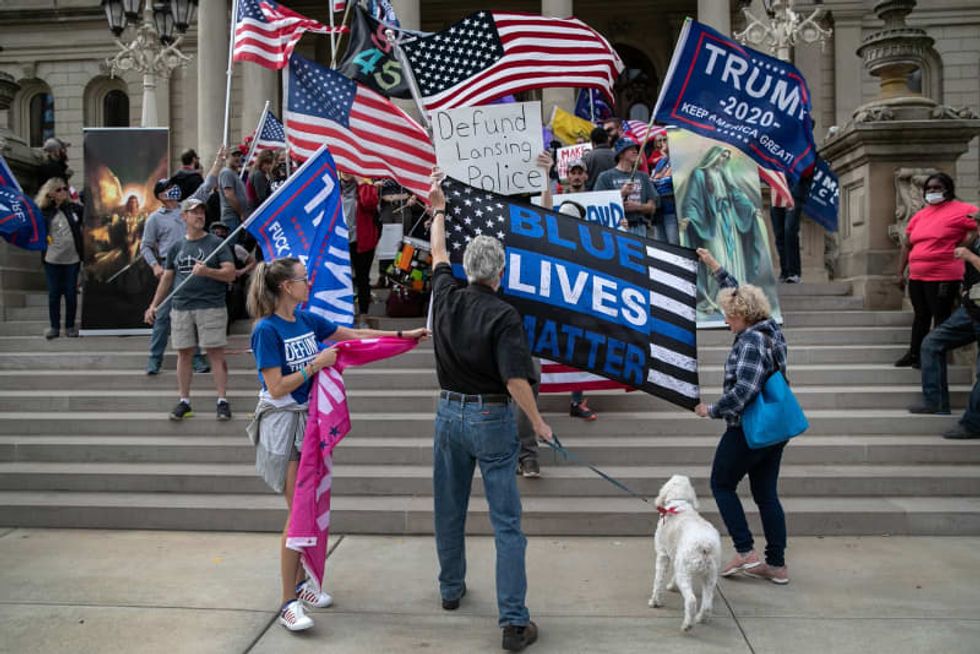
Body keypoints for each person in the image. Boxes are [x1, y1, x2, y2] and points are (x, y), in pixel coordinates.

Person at [246, 256, 427, 633]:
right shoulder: (266, 330)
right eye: (303, 278)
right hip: (284, 426)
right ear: (286, 287)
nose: (309, 282)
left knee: (306, 508)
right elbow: (275, 387)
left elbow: (352, 335)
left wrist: (402, 336)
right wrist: (315, 364)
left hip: (308, 423)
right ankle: (288, 602)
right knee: (299, 512)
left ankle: (301, 585)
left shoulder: (306, 319)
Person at [428, 173, 553, 652]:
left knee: (449, 508)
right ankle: (514, 622)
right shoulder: (504, 315)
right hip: (492, 418)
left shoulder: (445, 295)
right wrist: (537, 422)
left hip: (448, 413)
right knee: (506, 522)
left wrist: (439, 209)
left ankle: (450, 589)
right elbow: (516, 379)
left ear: (467, 269)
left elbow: (437, 253)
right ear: (499, 273)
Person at [694, 247, 790, 585]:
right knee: (766, 495)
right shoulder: (770, 327)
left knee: (721, 484)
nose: (726, 321)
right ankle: (776, 565)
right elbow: (739, 293)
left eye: (730, 317)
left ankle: (745, 551)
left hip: (748, 428)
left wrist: (711, 410)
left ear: (744, 316)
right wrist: (715, 266)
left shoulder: (749, 341)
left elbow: (744, 392)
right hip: (775, 428)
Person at [143, 197, 236, 421]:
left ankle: (222, 400)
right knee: (184, 353)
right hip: (181, 307)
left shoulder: (216, 243)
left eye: (201, 211)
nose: (199, 215)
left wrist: (208, 272)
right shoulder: (176, 247)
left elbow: (230, 274)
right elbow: (167, 278)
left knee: (215, 353)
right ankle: (184, 401)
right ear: (183, 216)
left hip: (211, 306)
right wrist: (154, 305)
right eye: (194, 212)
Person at [141, 149, 227, 375]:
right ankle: (154, 359)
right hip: (169, 267)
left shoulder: (188, 207)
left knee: (192, 313)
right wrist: (155, 265)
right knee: (162, 314)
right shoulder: (154, 219)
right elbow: (145, 246)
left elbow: (206, 188)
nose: (173, 190)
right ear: (161, 195)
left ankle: (197, 358)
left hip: (191, 263)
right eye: (168, 188)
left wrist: (217, 163)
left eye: (173, 186)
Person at [678, 145, 773, 317]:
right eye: (722, 156)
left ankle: (736, 300)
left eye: (726, 157)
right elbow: (692, 198)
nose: (724, 160)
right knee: (717, 257)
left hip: (729, 219)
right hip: (712, 222)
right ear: (713, 156)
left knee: (734, 258)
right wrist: (689, 217)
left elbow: (736, 194)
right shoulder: (699, 174)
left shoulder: (723, 174)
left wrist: (751, 209)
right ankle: (715, 298)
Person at [895, 173, 978, 369]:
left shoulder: (962, 210)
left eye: (937, 188)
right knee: (921, 315)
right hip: (917, 275)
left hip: (943, 275)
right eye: (929, 188)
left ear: (948, 189)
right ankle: (914, 353)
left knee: (940, 315)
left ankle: (935, 356)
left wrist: (965, 244)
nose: (932, 191)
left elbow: (977, 226)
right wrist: (900, 272)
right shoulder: (920, 215)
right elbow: (907, 244)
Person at [908, 210, 980, 430]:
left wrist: (969, 256)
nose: (976, 227)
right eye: (976, 222)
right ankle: (936, 401)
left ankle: (972, 424)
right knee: (931, 343)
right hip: (971, 309)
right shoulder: (975, 241)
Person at [36, 177, 83, 339]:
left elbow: (87, 208)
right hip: (52, 259)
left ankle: (70, 326)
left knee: (70, 293)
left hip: (72, 259)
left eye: (65, 188)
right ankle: (54, 327)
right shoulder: (44, 212)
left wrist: (80, 195)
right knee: (54, 294)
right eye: (59, 190)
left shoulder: (73, 209)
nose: (63, 192)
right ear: (50, 194)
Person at [593, 139, 658, 238]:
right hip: (616, 228)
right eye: (630, 149)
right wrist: (621, 194)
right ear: (620, 154)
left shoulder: (643, 176)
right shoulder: (605, 177)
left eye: (636, 149)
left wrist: (637, 206)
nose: (635, 151)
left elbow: (652, 208)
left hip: (640, 228)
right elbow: (598, 204)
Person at [339, 172, 380, 325]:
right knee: (343, 278)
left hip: (362, 241)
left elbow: (370, 203)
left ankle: (363, 314)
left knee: (363, 278)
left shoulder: (365, 186)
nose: (346, 172)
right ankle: (345, 314)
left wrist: (361, 182)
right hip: (341, 241)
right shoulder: (334, 186)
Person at [770, 166, 813, 284]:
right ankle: (785, 272)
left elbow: (808, 165)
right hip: (777, 189)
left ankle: (794, 272)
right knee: (779, 234)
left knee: (790, 230)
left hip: (795, 188)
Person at [650, 135, 679, 245]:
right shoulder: (662, 162)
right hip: (658, 210)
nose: (662, 142)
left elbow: (668, 181)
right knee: (660, 246)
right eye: (660, 140)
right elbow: (652, 180)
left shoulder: (680, 161)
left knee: (673, 246)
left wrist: (659, 179)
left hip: (673, 210)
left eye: (665, 139)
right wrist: (660, 179)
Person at [219, 148, 250, 235]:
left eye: (239, 155)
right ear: (227, 157)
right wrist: (241, 213)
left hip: (237, 217)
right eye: (234, 155)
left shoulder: (234, 174)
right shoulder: (226, 173)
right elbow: (229, 195)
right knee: (233, 242)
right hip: (231, 217)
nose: (237, 158)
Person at [583, 126, 615, 191]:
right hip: (615, 193)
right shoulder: (618, 156)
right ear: (607, 140)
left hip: (592, 194)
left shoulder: (586, 158)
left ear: (592, 143)